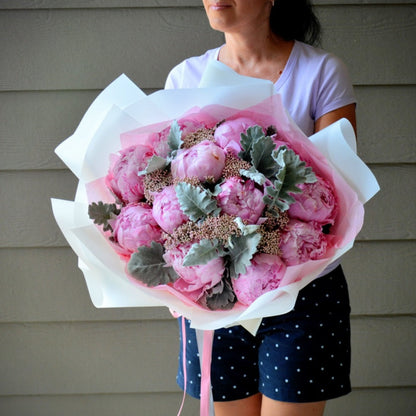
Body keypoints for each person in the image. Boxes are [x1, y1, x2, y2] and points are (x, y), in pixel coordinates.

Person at [164, 1, 356, 415]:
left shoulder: (320, 73)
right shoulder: (185, 78)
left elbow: (341, 191)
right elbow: (170, 186)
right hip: (217, 297)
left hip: (301, 293)